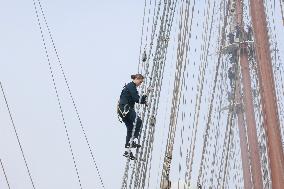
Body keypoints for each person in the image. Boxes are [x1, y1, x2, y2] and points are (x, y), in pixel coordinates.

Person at [117, 74, 147, 160]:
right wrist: (145, 96)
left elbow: (135, 98)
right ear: (137, 79)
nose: (140, 84)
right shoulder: (131, 86)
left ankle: (127, 150)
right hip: (125, 108)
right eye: (140, 82)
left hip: (122, 110)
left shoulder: (128, 86)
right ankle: (133, 140)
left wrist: (143, 99)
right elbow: (137, 98)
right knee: (139, 121)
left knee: (130, 127)